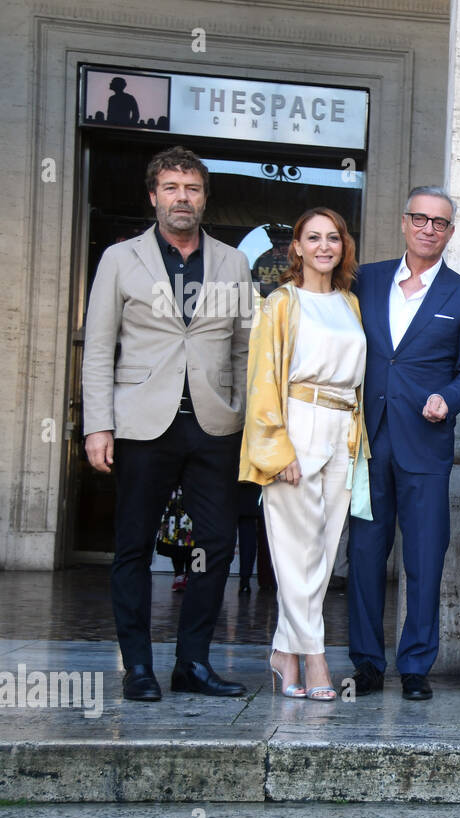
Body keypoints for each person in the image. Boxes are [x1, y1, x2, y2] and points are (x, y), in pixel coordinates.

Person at [82, 145, 252, 702]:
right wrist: (96, 425)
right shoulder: (120, 258)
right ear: (154, 195)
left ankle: (193, 664)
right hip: (140, 423)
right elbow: (99, 347)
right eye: (172, 188)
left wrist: (249, 418)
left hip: (213, 425)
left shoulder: (232, 262)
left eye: (193, 188)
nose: (183, 198)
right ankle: (137, 667)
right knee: (132, 547)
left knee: (217, 547)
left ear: (205, 198)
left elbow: (246, 348)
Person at [346, 187, 460, 701]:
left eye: (441, 223)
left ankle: (415, 666)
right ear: (404, 222)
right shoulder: (365, 279)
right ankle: (365, 663)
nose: (429, 229)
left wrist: (447, 400)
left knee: (425, 559)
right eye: (421, 219)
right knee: (364, 554)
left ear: (451, 232)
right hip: (367, 439)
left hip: (425, 444)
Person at [240, 207, 368, 702]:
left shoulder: (350, 303)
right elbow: (262, 378)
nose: (323, 246)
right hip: (296, 423)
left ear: (342, 246)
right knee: (294, 554)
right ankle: (315, 658)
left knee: (320, 554)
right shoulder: (281, 302)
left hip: (342, 431)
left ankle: (282, 652)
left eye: (332, 238)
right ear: (296, 247)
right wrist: (276, 447)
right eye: (312, 238)